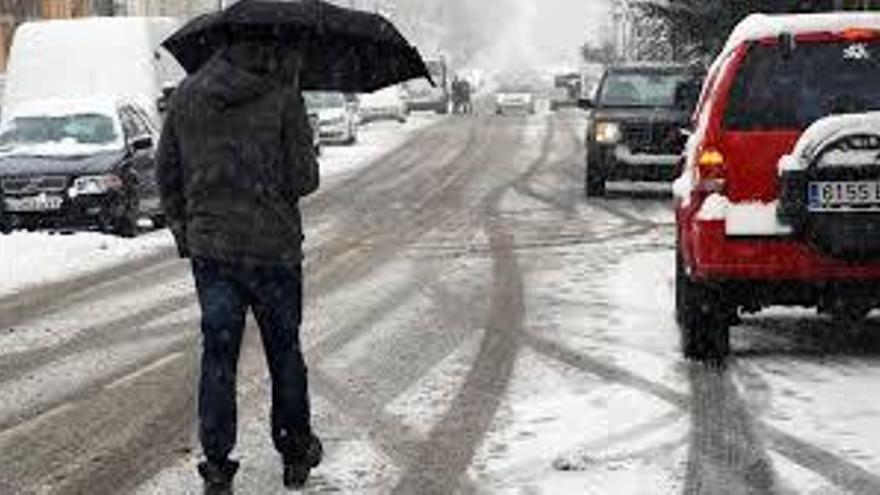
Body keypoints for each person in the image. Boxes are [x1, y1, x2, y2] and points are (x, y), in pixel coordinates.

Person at [156, 40, 322, 494]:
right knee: (284, 351)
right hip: (274, 252)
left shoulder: (187, 95)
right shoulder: (283, 95)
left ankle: (216, 465)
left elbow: (165, 171)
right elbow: (305, 178)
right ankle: (294, 449)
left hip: (214, 254)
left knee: (218, 357)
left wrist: (185, 230)